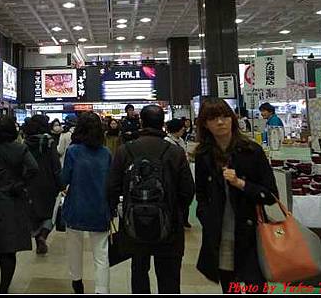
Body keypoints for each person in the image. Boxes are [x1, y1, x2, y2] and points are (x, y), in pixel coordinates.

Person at [195, 98, 278, 294]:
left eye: (225, 116)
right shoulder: (204, 155)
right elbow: (201, 193)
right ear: (205, 124)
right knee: (230, 287)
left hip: (251, 234)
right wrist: (206, 217)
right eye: (213, 118)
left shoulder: (251, 151)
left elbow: (271, 195)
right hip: (220, 235)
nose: (220, 122)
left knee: (254, 287)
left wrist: (241, 184)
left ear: (233, 119)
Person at [108, 105, 194, 294]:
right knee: (169, 277)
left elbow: (112, 187)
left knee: (139, 272)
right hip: (169, 226)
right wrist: (174, 211)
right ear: (162, 123)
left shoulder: (125, 151)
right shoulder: (174, 152)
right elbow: (188, 190)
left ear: (141, 122)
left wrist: (120, 210)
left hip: (134, 224)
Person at [0, 116, 39, 294]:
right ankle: (4, 284)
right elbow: (34, 168)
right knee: (10, 243)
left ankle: (4, 283)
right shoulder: (20, 148)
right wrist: (20, 183)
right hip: (15, 199)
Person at [62, 112, 111, 294]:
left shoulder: (73, 151)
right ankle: (101, 290)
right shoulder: (106, 153)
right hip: (99, 208)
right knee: (101, 254)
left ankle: (77, 283)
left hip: (76, 206)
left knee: (74, 249)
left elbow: (64, 178)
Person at [22, 115, 62, 255]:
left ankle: (37, 238)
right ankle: (43, 235)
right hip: (48, 181)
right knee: (50, 212)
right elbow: (55, 164)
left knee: (35, 211)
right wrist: (61, 183)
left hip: (30, 181)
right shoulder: (49, 141)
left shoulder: (25, 142)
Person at [165, 119, 193, 229]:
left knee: (186, 193)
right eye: (181, 127)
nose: (184, 129)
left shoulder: (180, 140)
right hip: (173, 174)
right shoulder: (167, 141)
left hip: (184, 171)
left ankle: (184, 219)